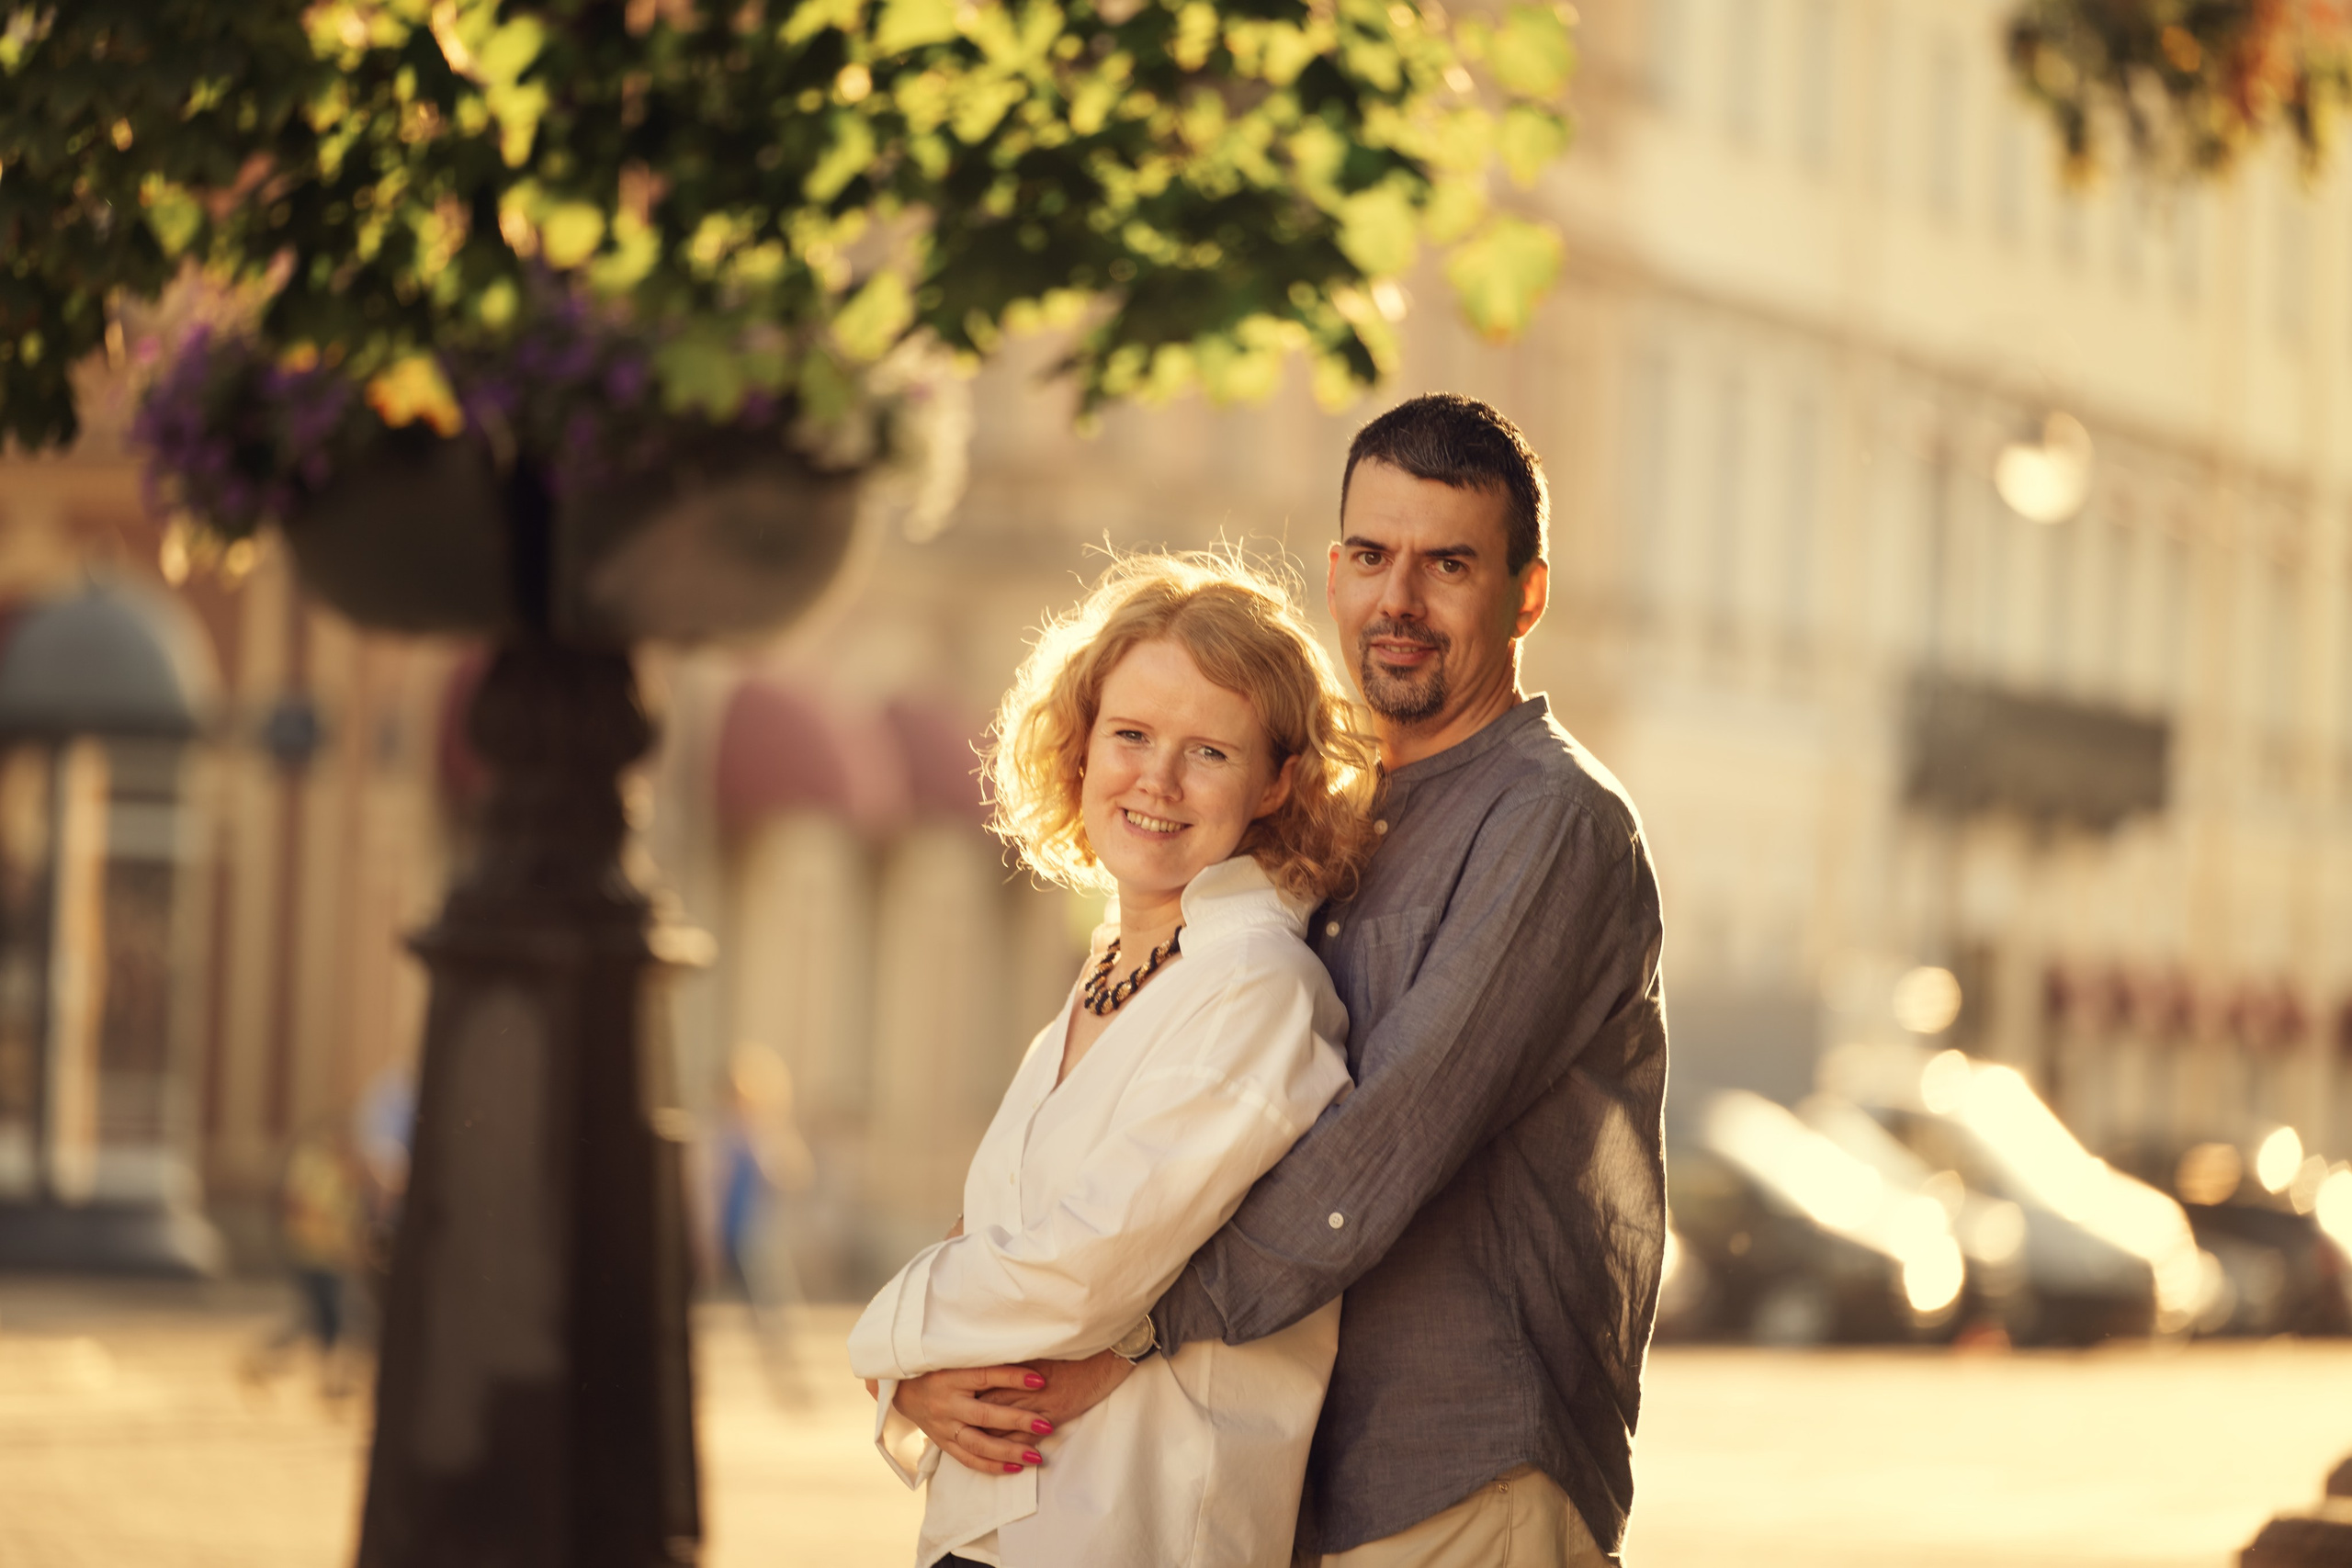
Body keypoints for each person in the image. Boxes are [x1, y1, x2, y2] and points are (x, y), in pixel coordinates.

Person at [890, 394, 1669, 1566]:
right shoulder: (1337, 827)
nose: (1397, 600)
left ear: (1527, 594)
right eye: (1371, 556)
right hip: (1309, 1479)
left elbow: (1380, 1143)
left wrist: (1131, 1331)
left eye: (1447, 564)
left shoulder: (1550, 821)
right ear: (1336, 569)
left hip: (1461, 1465)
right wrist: (931, 1363)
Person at [848, 551, 1379, 1567]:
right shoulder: (1113, 967)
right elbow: (992, 1234)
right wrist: (908, 1380)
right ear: (1082, 746)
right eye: (1130, 734)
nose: (1157, 781)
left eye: (1210, 753)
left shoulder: (1255, 988)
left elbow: (1082, 1273)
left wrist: (878, 1345)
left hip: (1130, 1528)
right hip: (997, 1522)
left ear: (1278, 783)